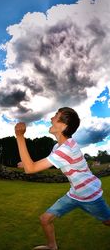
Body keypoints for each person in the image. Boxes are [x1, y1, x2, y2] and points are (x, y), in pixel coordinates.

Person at [15, 107, 110, 250]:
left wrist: (19, 136)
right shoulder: (57, 148)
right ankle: (52, 247)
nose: (51, 119)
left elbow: (31, 169)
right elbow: (46, 163)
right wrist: (28, 164)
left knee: (108, 222)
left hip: (90, 194)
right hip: (74, 193)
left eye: (55, 116)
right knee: (45, 219)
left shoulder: (67, 148)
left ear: (64, 126)